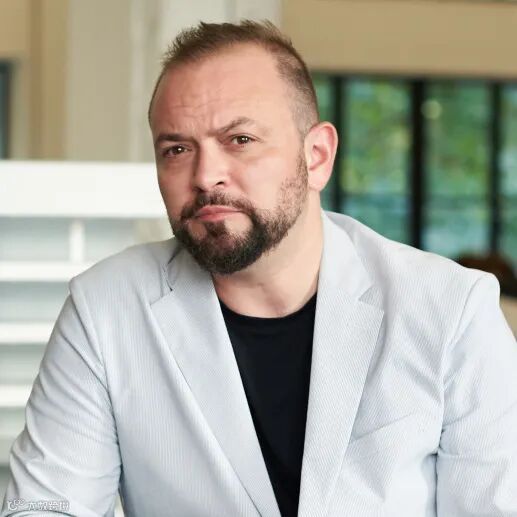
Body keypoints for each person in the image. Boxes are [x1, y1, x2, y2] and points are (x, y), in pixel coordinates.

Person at [2, 20, 517, 517]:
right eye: (177, 149)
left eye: (240, 140)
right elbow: (45, 506)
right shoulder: (104, 308)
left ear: (317, 156)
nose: (206, 176)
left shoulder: (450, 308)